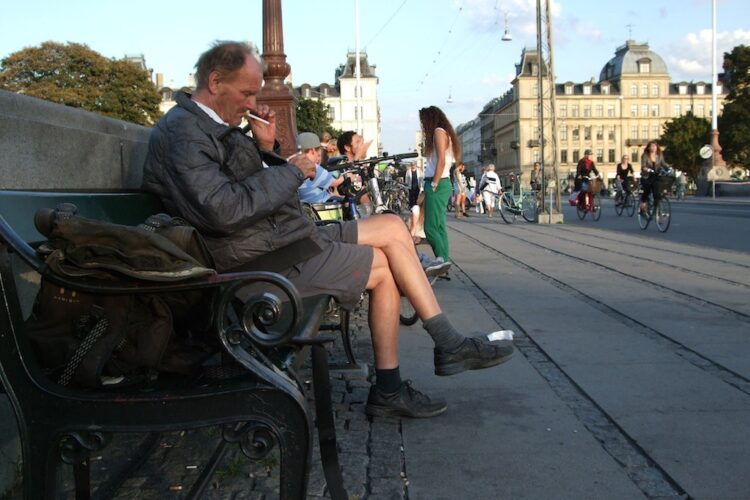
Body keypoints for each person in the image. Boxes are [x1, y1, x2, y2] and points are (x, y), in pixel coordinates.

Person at [141, 41, 513, 419]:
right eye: (247, 93)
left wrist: (266, 147)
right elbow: (223, 211)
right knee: (385, 268)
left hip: (281, 238)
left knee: (390, 226)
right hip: (260, 262)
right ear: (215, 81)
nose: (252, 103)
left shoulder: (208, 125)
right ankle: (403, 378)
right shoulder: (185, 133)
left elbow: (245, 190)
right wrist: (290, 171)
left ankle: (443, 347)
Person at [419, 106, 459, 262]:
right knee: (440, 226)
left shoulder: (438, 132)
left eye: (423, 121)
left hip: (437, 182)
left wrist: (433, 184)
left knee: (429, 228)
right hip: (441, 182)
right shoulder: (444, 132)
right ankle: (443, 261)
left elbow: (441, 160)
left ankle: (441, 260)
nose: (422, 125)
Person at [296, 132, 345, 204]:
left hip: (307, 203)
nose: (318, 158)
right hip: (321, 204)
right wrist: (348, 175)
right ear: (313, 151)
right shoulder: (312, 167)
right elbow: (336, 181)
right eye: (318, 154)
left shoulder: (294, 164)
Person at [639, 140, 670, 213]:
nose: (653, 147)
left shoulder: (659, 155)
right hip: (647, 176)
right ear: (648, 148)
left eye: (654, 146)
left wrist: (668, 168)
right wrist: (647, 169)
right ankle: (643, 204)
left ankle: (656, 209)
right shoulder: (645, 155)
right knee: (647, 190)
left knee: (656, 192)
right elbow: (643, 166)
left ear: (657, 147)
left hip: (656, 175)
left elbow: (663, 163)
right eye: (651, 146)